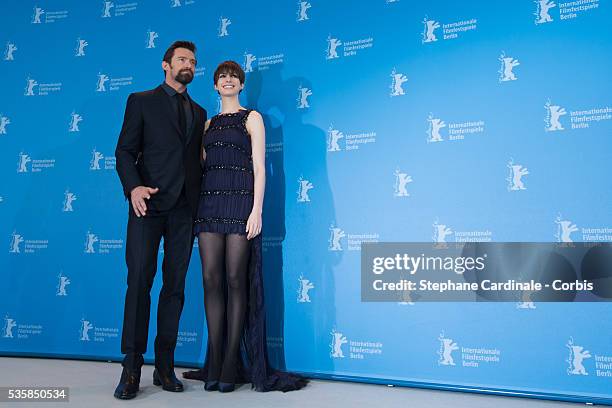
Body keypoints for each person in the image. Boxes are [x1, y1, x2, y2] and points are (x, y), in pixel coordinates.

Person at [182, 61, 307, 392]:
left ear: (241, 85)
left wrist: (257, 211)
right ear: (214, 85)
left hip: (240, 205)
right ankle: (217, 356)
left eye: (233, 77)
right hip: (209, 206)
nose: (227, 80)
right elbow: (202, 168)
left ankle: (228, 367)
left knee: (237, 281)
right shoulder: (206, 125)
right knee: (211, 280)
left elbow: (260, 168)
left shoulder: (252, 118)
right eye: (222, 76)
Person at [113, 40, 207, 400]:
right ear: (165, 65)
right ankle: (132, 365)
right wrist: (133, 188)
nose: (189, 65)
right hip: (147, 206)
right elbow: (124, 151)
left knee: (175, 288)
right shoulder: (141, 101)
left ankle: (165, 365)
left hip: (184, 209)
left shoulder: (199, 113)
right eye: (182, 59)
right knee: (139, 282)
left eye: (193, 62)